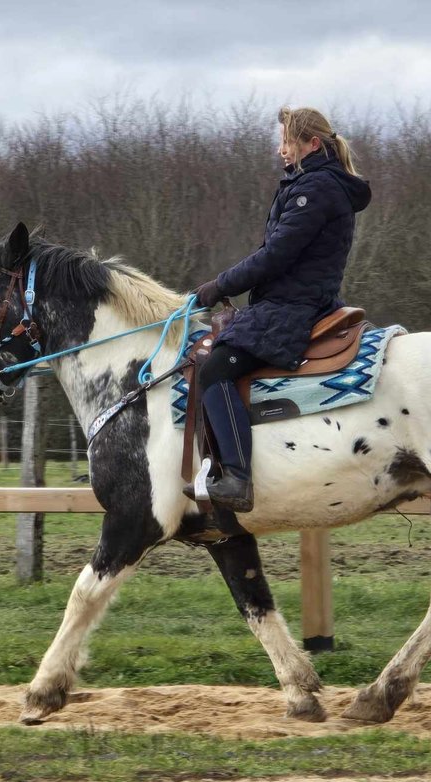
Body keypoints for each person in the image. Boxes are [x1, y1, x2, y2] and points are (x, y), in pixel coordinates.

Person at [186, 106, 372, 512]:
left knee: (216, 369)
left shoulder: (316, 190)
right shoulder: (311, 184)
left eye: (288, 142)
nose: (280, 150)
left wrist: (219, 285)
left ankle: (236, 477)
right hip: (291, 300)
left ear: (312, 144)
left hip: (292, 307)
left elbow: (274, 257)